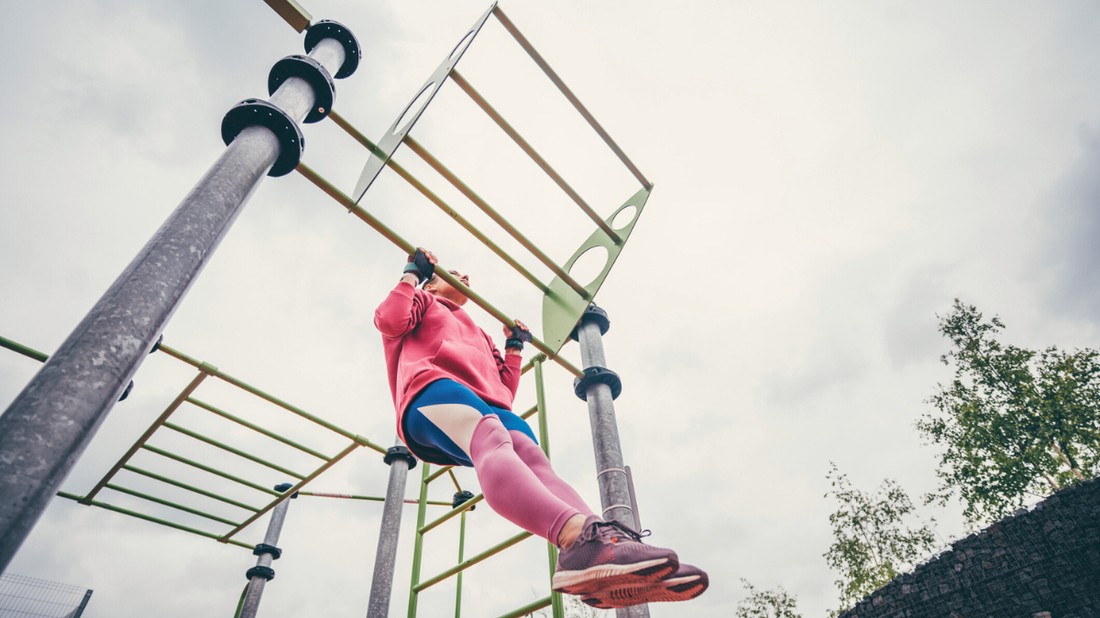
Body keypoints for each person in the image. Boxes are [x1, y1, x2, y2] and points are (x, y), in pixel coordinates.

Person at [374, 248, 708, 609]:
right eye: (452, 273)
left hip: (486, 404)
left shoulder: (481, 335)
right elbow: (390, 321)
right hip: (431, 390)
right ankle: (574, 537)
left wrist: (513, 347)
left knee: (533, 456)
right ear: (433, 280)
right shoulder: (423, 300)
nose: (464, 278)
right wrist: (411, 274)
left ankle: (601, 541)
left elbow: (502, 390)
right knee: (491, 433)